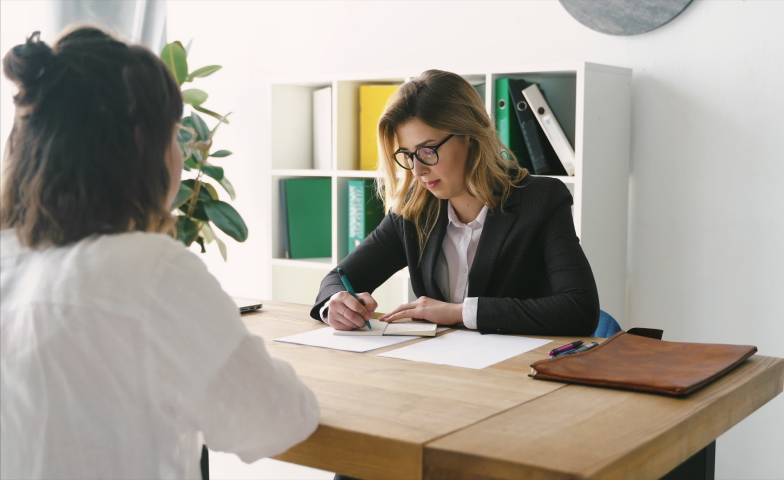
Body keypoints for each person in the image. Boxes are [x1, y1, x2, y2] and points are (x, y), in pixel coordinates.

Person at [0, 28, 319, 479]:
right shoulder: (148, 270)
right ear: (137, 144)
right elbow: (275, 420)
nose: (181, 156)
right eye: (172, 134)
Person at [311, 70, 599, 336]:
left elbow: (579, 309)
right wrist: (335, 303)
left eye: (427, 151)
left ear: (470, 137)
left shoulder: (541, 200)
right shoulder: (413, 211)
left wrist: (460, 313)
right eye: (407, 155)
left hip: (516, 373)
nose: (417, 170)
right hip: (442, 373)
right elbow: (339, 278)